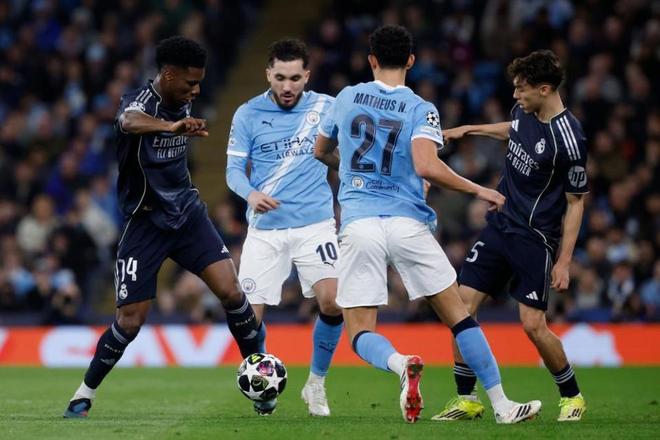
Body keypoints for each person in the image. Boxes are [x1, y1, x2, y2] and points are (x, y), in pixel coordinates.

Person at [314, 24, 540, 424]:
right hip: (407, 223)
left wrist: (351, 170)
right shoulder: (421, 108)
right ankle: (503, 405)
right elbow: (426, 166)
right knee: (460, 316)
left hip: (359, 225)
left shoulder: (346, 97)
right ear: (411, 61)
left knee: (360, 331)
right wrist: (479, 190)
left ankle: (400, 363)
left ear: (371, 60)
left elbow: (321, 151)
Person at [63, 36, 262, 418]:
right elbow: (128, 121)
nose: (196, 90)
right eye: (190, 83)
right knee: (130, 321)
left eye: (198, 83)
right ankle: (83, 394)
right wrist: (171, 127)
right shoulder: (139, 103)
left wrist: (179, 123)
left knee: (232, 293)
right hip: (145, 222)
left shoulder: (181, 99)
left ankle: (261, 378)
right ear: (168, 74)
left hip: (187, 214)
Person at [434, 50, 588, 422]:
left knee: (533, 325)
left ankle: (572, 396)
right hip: (500, 225)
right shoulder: (524, 111)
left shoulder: (569, 139)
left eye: (522, 89)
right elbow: (513, 128)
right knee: (461, 307)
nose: (516, 96)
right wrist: (468, 129)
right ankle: (467, 399)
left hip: (535, 238)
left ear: (544, 89)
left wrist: (564, 261)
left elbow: (576, 203)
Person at [226, 38, 343, 417]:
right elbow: (232, 171)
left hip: (315, 225)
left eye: (295, 78)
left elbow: (355, 152)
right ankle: (264, 387)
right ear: (268, 75)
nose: (287, 86)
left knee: (333, 301)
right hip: (266, 230)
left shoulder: (328, 107)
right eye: (280, 78)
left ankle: (316, 384)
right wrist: (250, 193)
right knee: (249, 321)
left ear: (307, 75)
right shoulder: (247, 113)